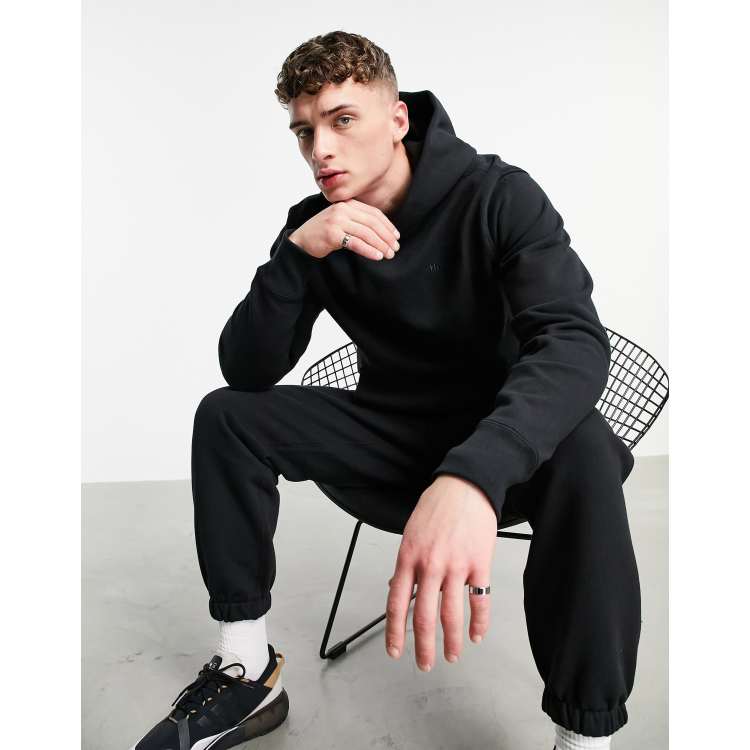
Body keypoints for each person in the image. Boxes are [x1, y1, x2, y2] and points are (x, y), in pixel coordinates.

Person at [129, 30, 640, 750]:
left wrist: (474, 473)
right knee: (226, 417)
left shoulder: (498, 196)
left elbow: (573, 342)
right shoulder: (315, 227)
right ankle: (247, 670)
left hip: (505, 447)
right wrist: (296, 255)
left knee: (586, 448)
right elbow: (246, 370)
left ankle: (585, 735)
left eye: (343, 120)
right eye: (304, 131)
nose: (320, 150)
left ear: (397, 119)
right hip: (391, 436)